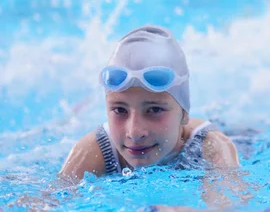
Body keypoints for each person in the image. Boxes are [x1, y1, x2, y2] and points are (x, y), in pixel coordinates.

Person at [60, 25, 240, 180]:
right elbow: (44, 208)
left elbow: (228, 211)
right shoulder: (94, 150)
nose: (134, 133)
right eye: (120, 110)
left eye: (154, 110)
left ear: (184, 113)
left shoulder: (211, 148)